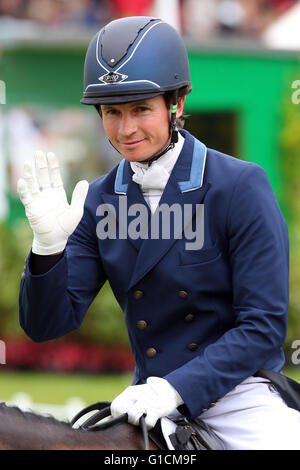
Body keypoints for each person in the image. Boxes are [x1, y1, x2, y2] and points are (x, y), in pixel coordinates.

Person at [17, 16, 300, 450]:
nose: (126, 130)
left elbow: (261, 326)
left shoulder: (239, 186)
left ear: (177, 103)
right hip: (145, 403)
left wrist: (175, 390)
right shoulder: (98, 200)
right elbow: (46, 325)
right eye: (112, 113)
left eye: (141, 110)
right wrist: (47, 250)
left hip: (240, 400)